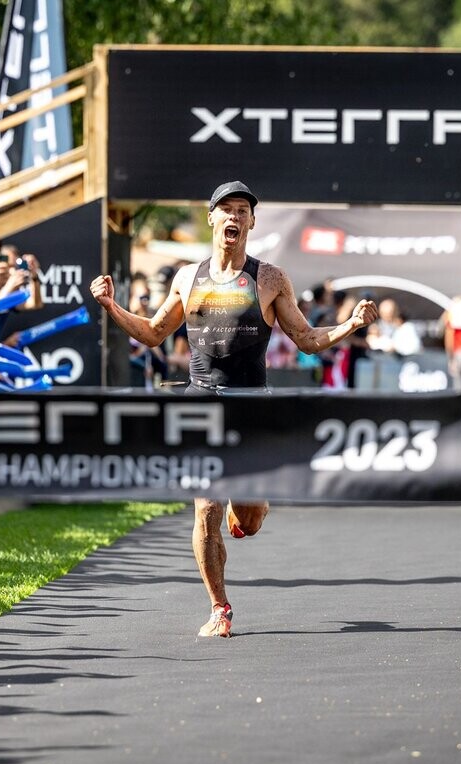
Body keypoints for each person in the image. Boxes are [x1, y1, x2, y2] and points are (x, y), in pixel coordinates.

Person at [90, 180, 377, 638]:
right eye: (227, 209)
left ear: (251, 222)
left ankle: (243, 513)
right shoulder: (188, 278)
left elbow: (306, 341)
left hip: (251, 408)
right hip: (201, 404)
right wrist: (110, 306)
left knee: (250, 520)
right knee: (205, 507)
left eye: (243, 210)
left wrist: (351, 325)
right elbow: (152, 333)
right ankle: (219, 608)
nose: (235, 217)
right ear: (211, 218)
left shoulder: (270, 279)